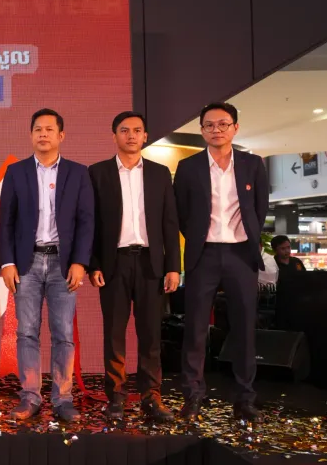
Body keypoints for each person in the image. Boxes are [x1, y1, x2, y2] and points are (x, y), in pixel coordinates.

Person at [0, 108, 94, 422]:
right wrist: (7, 262)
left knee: (63, 333)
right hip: (26, 263)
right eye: (37, 129)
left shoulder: (78, 173)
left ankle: (63, 399)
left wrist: (80, 262)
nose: (43, 134)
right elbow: (6, 222)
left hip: (62, 264)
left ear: (61, 135)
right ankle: (30, 397)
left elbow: (86, 222)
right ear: (31, 135)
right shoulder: (16, 172)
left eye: (49, 129)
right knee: (26, 332)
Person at [174, 102, 267, 421]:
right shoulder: (188, 167)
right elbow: (182, 212)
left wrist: (247, 236)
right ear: (201, 130)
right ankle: (193, 396)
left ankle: (245, 398)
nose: (216, 130)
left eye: (223, 124)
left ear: (235, 128)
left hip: (241, 254)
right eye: (209, 125)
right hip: (204, 254)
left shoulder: (253, 164)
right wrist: (199, 237)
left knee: (244, 328)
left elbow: (260, 208)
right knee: (195, 328)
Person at [88, 111, 180, 422]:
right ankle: (116, 398)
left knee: (151, 334)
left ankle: (151, 397)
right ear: (114, 135)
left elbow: (170, 223)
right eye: (124, 130)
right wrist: (93, 264)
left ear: (145, 136)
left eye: (137, 130)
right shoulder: (97, 173)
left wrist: (173, 266)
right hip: (113, 263)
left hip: (151, 263)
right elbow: (91, 224)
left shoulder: (159, 173)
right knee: (114, 334)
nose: (131, 135)